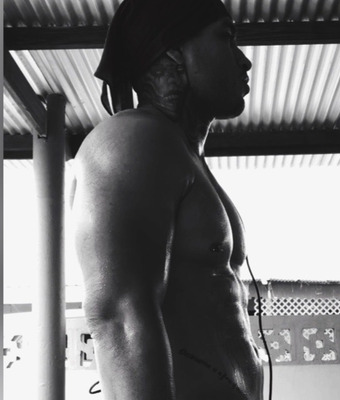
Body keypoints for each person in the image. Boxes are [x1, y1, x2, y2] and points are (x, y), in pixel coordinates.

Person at [71, 0, 263, 399]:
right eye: (226, 38)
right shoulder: (133, 139)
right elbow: (118, 317)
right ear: (173, 51)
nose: (244, 61)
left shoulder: (184, 156)